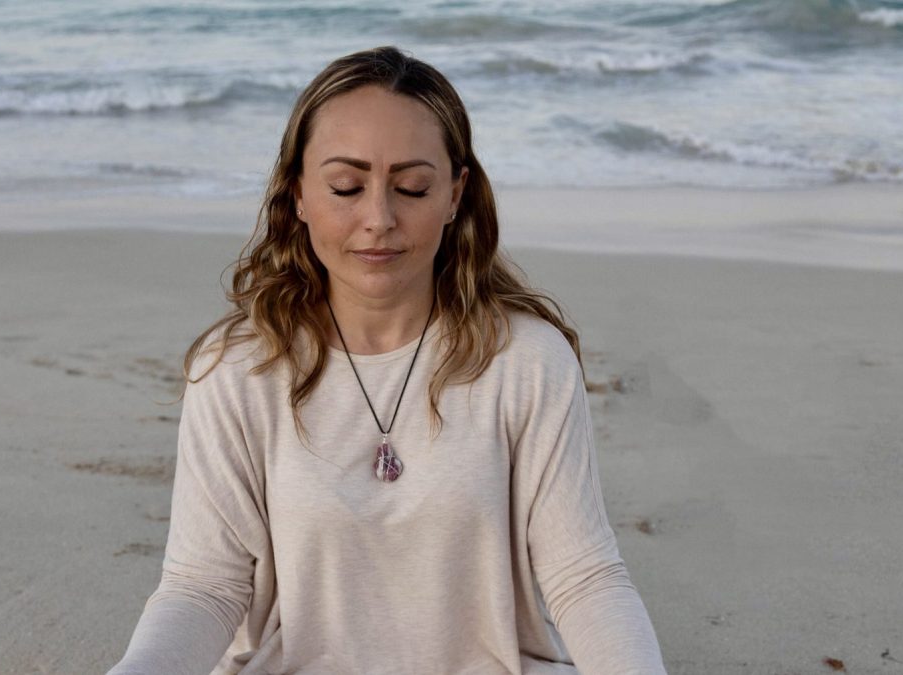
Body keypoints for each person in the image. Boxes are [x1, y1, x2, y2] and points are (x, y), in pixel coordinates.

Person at [108, 46, 667, 675]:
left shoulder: (527, 361)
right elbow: (203, 587)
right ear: (298, 194)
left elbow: (584, 576)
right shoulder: (237, 371)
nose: (379, 218)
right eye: (345, 187)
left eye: (412, 187)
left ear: (455, 194)